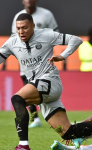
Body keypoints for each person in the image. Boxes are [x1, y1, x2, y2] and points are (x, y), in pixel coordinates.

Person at [0, 14, 92, 150]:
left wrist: (63, 55)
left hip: (49, 81)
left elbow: (76, 40)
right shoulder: (12, 42)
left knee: (17, 98)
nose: (21, 31)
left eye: (25, 27)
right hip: (41, 91)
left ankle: (23, 146)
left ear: (33, 26)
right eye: (18, 28)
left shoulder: (46, 35)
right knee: (68, 132)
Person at [11, 0, 59, 128]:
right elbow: (14, 39)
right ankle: (35, 117)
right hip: (27, 63)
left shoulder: (46, 14)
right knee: (27, 88)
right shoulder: (18, 16)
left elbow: (55, 34)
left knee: (44, 88)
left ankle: (53, 116)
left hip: (43, 62)